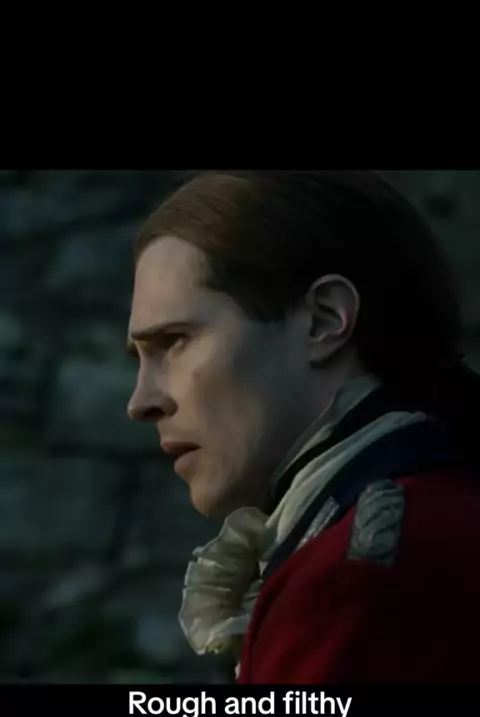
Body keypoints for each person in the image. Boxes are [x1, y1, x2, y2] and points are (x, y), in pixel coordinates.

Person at [127, 170, 480, 684]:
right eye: (138, 358)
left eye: (174, 341)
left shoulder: (366, 568)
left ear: (324, 319)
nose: (141, 402)